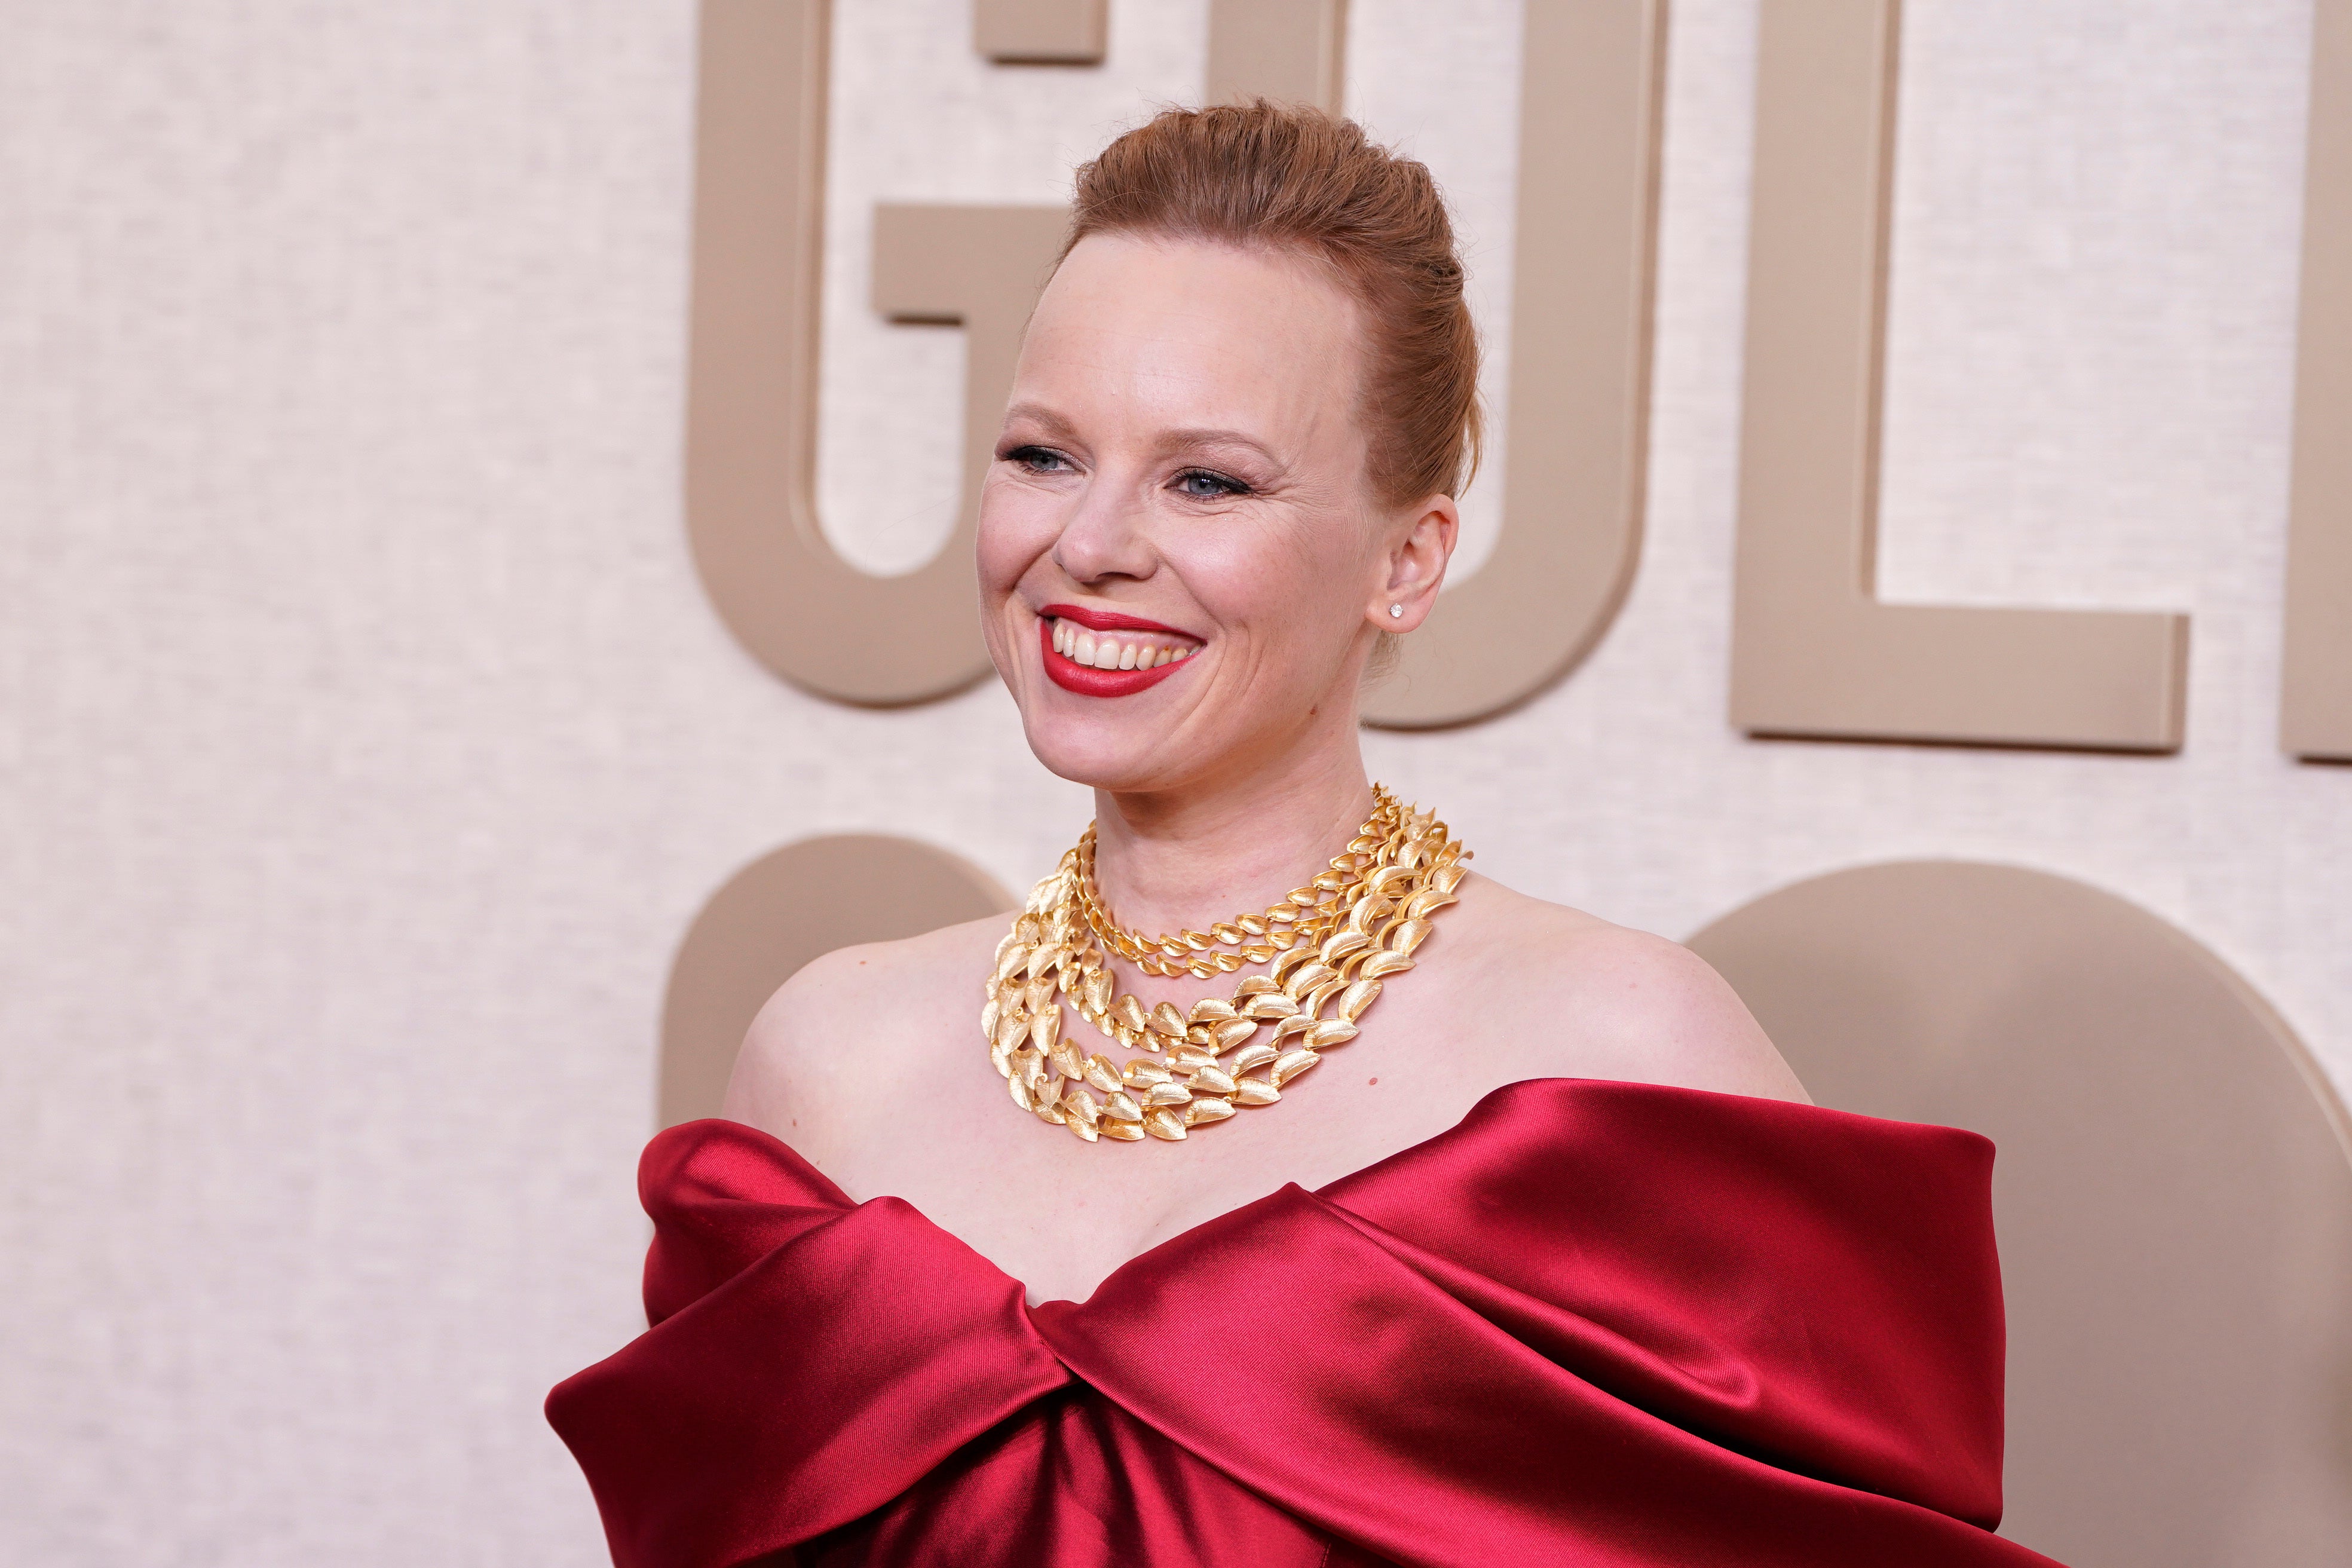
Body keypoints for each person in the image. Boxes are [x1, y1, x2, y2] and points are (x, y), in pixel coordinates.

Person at [549, 103, 2059, 1567]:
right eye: (1043, 455)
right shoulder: (829, 1058)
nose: (1091, 546)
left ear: (1408, 561)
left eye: (1207, 480)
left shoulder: (1610, 1061)